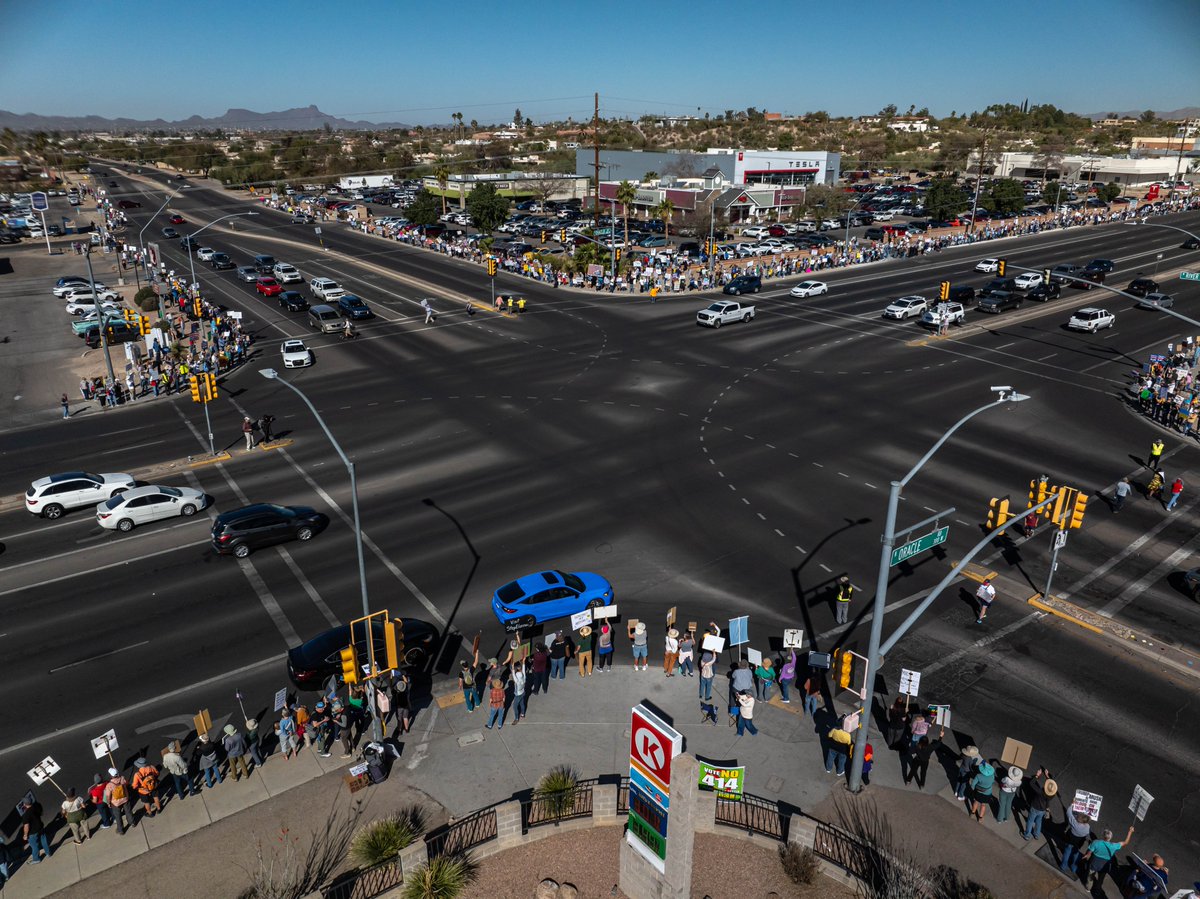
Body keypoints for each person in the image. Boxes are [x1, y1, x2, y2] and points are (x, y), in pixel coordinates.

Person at [1082, 825, 1134, 890]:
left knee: (1090, 877)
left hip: (1095, 863)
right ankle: (1097, 890)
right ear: (1110, 837)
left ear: (1103, 836)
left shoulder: (1096, 842)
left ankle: (1088, 888)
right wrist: (1130, 832)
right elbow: (1126, 842)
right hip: (1105, 865)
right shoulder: (1114, 846)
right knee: (1101, 878)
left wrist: (1086, 855)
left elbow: (1089, 852)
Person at [1023, 768, 1054, 840]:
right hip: (1042, 810)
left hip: (1035, 807)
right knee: (1039, 822)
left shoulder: (1040, 791)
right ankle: (1036, 834)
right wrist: (1047, 776)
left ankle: (1027, 835)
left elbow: (1031, 783)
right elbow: (1051, 785)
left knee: (1030, 821)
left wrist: (1037, 775)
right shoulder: (1052, 794)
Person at [1059, 806, 1091, 876]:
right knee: (1076, 854)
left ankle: (1063, 866)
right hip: (1078, 843)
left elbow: (1068, 812)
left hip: (1070, 840)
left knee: (1067, 852)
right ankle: (1073, 867)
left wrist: (1072, 804)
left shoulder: (1074, 823)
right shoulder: (1087, 827)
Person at [104, 766, 134, 833]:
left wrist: (108, 803)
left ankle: (121, 830)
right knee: (128, 812)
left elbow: (108, 796)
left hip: (115, 803)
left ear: (111, 775)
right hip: (125, 799)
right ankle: (132, 823)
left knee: (118, 816)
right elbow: (126, 785)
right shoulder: (122, 778)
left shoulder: (109, 785)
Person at [968, 758, 995, 822]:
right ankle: (980, 818)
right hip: (987, 793)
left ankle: (972, 813)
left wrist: (972, 789)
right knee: (983, 805)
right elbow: (992, 782)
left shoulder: (978, 776)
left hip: (978, 792)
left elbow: (973, 784)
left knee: (976, 802)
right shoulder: (992, 776)